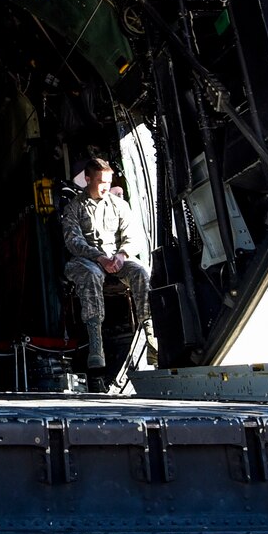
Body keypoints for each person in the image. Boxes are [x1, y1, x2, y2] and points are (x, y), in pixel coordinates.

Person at [61, 153, 150, 378]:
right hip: (87, 260)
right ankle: (95, 344)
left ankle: (150, 334)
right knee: (90, 275)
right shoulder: (74, 208)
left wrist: (121, 255)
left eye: (109, 183)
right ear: (88, 180)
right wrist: (100, 258)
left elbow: (132, 235)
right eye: (101, 183)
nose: (105, 187)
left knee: (140, 270)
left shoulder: (119, 205)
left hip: (116, 258)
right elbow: (74, 241)